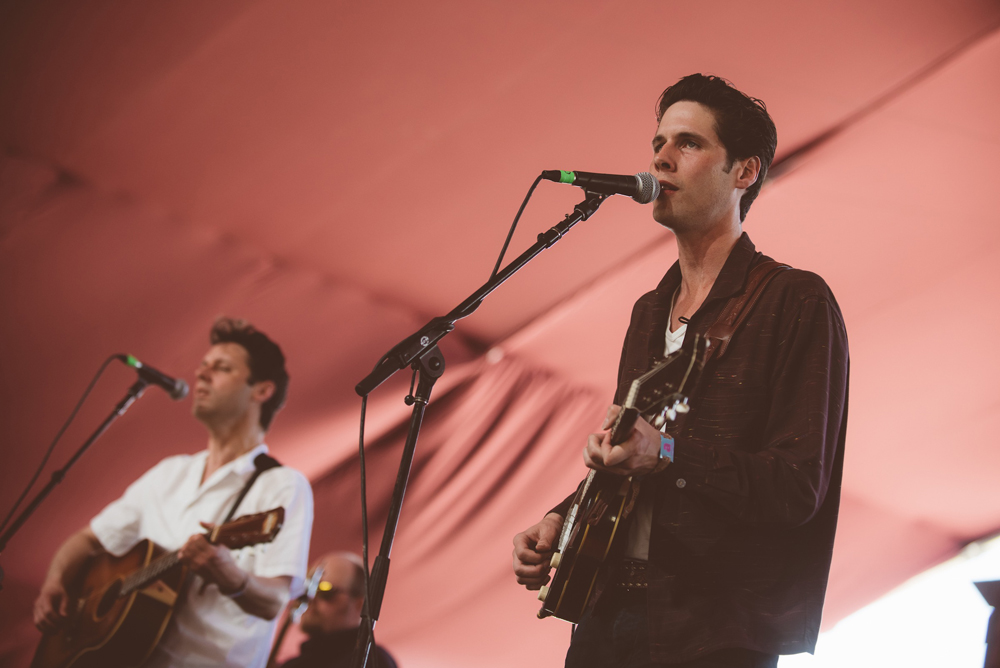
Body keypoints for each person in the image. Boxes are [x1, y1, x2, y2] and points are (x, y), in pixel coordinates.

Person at [512, 74, 849, 667]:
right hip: (606, 614)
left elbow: (797, 488)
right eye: (658, 143)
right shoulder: (649, 310)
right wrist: (559, 519)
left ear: (744, 172)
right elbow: (633, 455)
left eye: (688, 143)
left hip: (712, 630)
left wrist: (666, 454)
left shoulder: (795, 300)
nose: (661, 159)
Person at [34, 317, 314, 668]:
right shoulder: (170, 472)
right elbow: (89, 540)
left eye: (221, 368)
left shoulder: (282, 485)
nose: (201, 374)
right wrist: (56, 581)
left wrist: (231, 575)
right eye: (203, 365)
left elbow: (275, 600)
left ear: (262, 390)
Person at [279, 552, 397, 668]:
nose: (311, 598)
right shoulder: (294, 664)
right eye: (307, 590)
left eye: (325, 591)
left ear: (359, 605)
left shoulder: (373, 661)